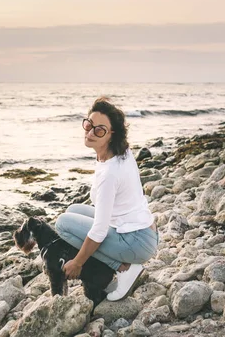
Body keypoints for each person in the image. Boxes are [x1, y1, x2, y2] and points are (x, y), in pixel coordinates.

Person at [55, 96, 159, 301]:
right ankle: (123, 264)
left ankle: (123, 268)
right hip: (141, 230)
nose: (90, 132)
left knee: (62, 224)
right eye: (89, 124)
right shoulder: (119, 151)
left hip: (136, 242)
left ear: (111, 135)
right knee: (73, 210)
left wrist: (77, 262)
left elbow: (99, 230)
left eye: (99, 130)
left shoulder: (110, 173)